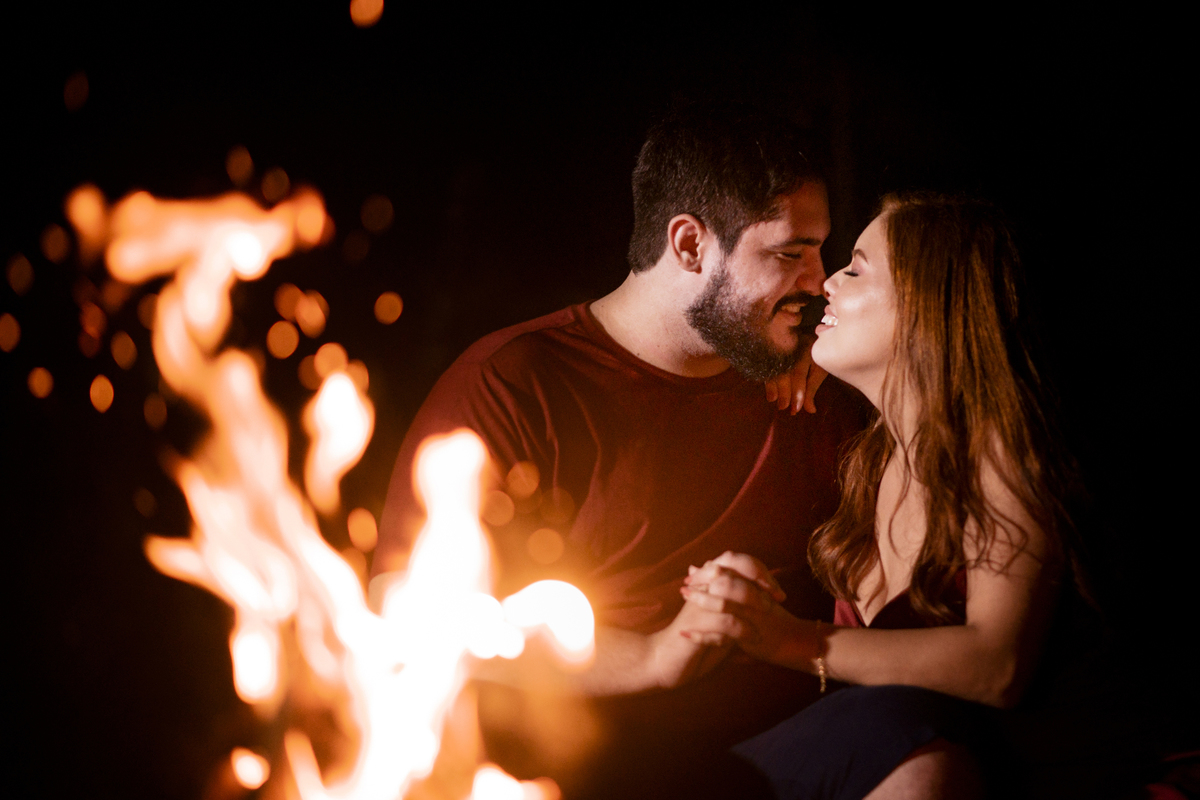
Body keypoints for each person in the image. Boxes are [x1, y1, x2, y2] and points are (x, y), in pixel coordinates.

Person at [371, 103, 870, 797]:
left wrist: (847, 361)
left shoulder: (809, 379)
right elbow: (409, 613)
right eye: (790, 254)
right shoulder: (515, 384)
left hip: (788, 742)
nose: (817, 282)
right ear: (690, 245)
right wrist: (650, 658)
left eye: (821, 252)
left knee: (926, 748)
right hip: (592, 763)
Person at [679, 193, 1082, 799]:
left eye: (857, 268)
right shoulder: (872, 456)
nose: (827, 285)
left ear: (929, 308)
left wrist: (784, 638)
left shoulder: (1000, 453)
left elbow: (999, 667)